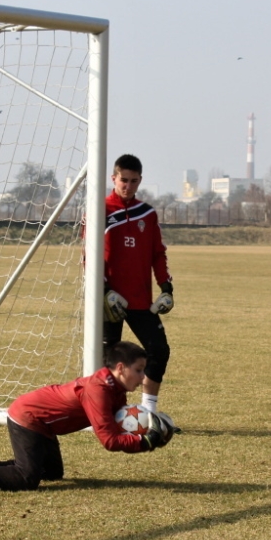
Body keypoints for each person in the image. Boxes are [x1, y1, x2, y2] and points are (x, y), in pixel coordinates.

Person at [0, 341, 173, 495]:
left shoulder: (115, 388)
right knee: (27, 479)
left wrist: (154, 434)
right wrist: (146, 442)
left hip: (45, 425)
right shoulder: (99, 390)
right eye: (139, 370)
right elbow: (109, 441)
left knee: (52, 473)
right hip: (28, 417)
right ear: (121, 368)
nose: (143, 378)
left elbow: (118, 428)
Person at [101, 154, 174, 413]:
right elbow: (89, 256)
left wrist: (166, 287)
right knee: (107, 360)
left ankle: (148, 412)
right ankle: (105, 412)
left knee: (159, 350)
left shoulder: (148, 213)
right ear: (113, 178)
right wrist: (104, 291)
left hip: (141, 299)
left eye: (133, 181)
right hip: (108, 300)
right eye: (123, 180)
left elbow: (158, 253)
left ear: (140, 180)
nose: (128, 186)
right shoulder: (100, 210)